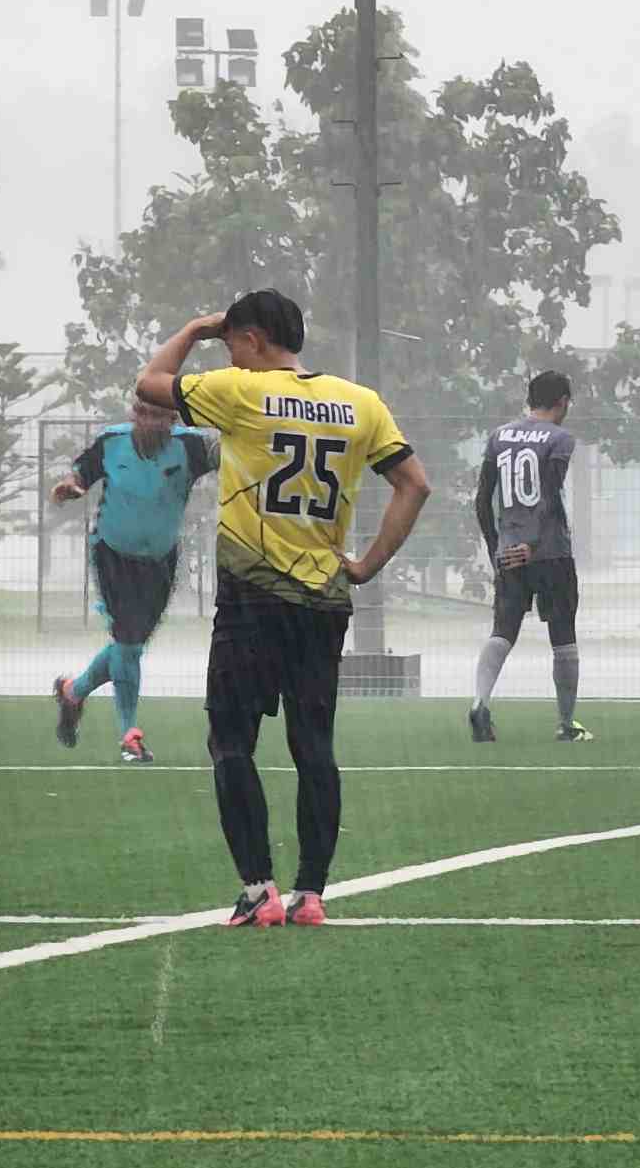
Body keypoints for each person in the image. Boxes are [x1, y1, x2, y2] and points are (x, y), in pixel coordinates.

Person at [136, 289, 430, 927]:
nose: (230, 357)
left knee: (230, 741)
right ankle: (311, 894)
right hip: (323, 601)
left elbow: (150, 384)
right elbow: (415, 484)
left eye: (231, 345)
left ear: (253, 340)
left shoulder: (240, 391)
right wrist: (367, 564)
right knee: (313, 744)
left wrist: (195, 326)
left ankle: (258, 889)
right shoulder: (362, 403)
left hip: (251, 597)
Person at [51, 399, 218, 763]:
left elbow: (234, 453)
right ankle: (129, 735)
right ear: (133, 414)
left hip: (160, 559)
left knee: (130, 646)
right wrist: (70, 486)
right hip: (113, 554)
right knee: (127, 644)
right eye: (143, 413)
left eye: (159, 416)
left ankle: (73, 692)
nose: (149, 422)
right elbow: (80, 474)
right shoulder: (112, 441)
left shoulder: (192, 446)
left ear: (173, 419)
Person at [469, 370, 590, 743]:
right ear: (563, 402)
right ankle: (567, 724)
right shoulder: (560, 438)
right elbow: (549, 497)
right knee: (563, 636)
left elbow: (482, 500)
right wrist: (534, 544)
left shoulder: (499, 436)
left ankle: (479, 703)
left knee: (503, 630)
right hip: (551, 553)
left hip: (508, 551)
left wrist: (496, 547)